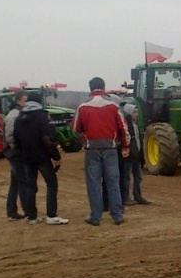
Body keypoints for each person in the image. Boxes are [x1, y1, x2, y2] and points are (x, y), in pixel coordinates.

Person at [73, 77, 129, 226]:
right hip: (110, 148)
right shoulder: (113, 105)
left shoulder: (83, 106)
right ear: (103, 88)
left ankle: (95, 216)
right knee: (113, 182)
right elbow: (123, 128)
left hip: (92, 149)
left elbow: (75, 129)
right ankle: (117, 215)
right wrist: (125, 147)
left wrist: (84, 137)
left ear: (90, 88)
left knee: (94, 183)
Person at [13, 91, 69, 225]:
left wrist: (21, 154)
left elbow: (16, 139)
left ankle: (32, 216)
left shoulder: (19, 117)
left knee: (30, 186)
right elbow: (47, 139)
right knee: (51, 184)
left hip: (26, 158)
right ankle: (51, 215)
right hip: (42, 157)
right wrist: (56, 156)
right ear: (39, 102)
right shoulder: (42, 116)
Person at [2, 90, 28, 221]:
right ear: (18, 101)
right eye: (25, 100)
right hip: (14, 153)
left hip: (13, 152)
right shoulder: (14, 115)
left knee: (16, 182)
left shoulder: (17, 113)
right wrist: (17, 150)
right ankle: (27, 211)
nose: (26, 103)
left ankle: (12, 211)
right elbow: (10, 136)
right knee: (22, 180)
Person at [120, 103, 150, 206]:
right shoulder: (126, 125)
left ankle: (137, 196)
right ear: (128, 112)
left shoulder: (135, 125)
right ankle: (126, 197)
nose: (136, 114)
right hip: (129, 155)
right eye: (134, 112)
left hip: (136, 155)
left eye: (137, 112)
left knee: (138, 176)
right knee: (126, 177)